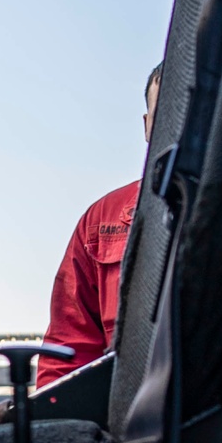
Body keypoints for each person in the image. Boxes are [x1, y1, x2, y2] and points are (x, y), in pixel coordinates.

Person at [34, 63, 162, 388]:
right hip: (130, 425)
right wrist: (53, 427)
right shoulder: (102, 220)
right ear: (147, 127)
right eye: (166, 116)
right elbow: (67, 355)